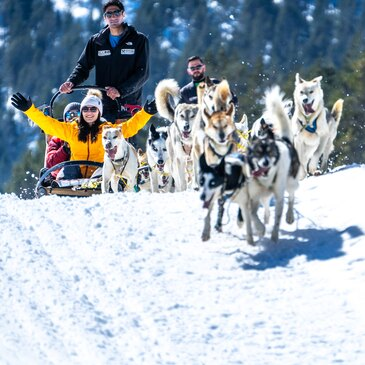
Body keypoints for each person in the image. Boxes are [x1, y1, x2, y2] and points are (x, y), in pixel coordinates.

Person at [11, 90, 157, 178]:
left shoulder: (107, 130)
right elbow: (48, 124)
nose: (89, 113)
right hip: (75, 174)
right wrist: (29, 109)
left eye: (93, 109)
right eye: (85, 109)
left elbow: (130, 127)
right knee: (68, 168)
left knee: (105, 170)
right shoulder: (71, 129)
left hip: (99, 173)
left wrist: (146, 113)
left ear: (99, 112)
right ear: (81, 112)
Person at [59, 0, 149, 123]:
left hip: (129, 105)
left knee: (126, 141)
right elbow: (83, 67)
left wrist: (120, 91)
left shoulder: (139, 40)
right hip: (103, 106)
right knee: (102, 140)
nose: (113, 17)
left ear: (123, 14)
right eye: (109, 14)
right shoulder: (97, 42)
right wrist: (71, 82)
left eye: (116, 13)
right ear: (104, 18)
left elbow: (142, 73)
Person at [45, 102, 81, 179]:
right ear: (65, 119)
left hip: (87, 172)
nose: (73, 118)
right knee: (71, 168)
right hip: (63, 176)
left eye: (77, 114)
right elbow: (50, 164)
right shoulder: (57, 139)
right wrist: (64, 149)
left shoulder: (91, 135)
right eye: (69, 115)